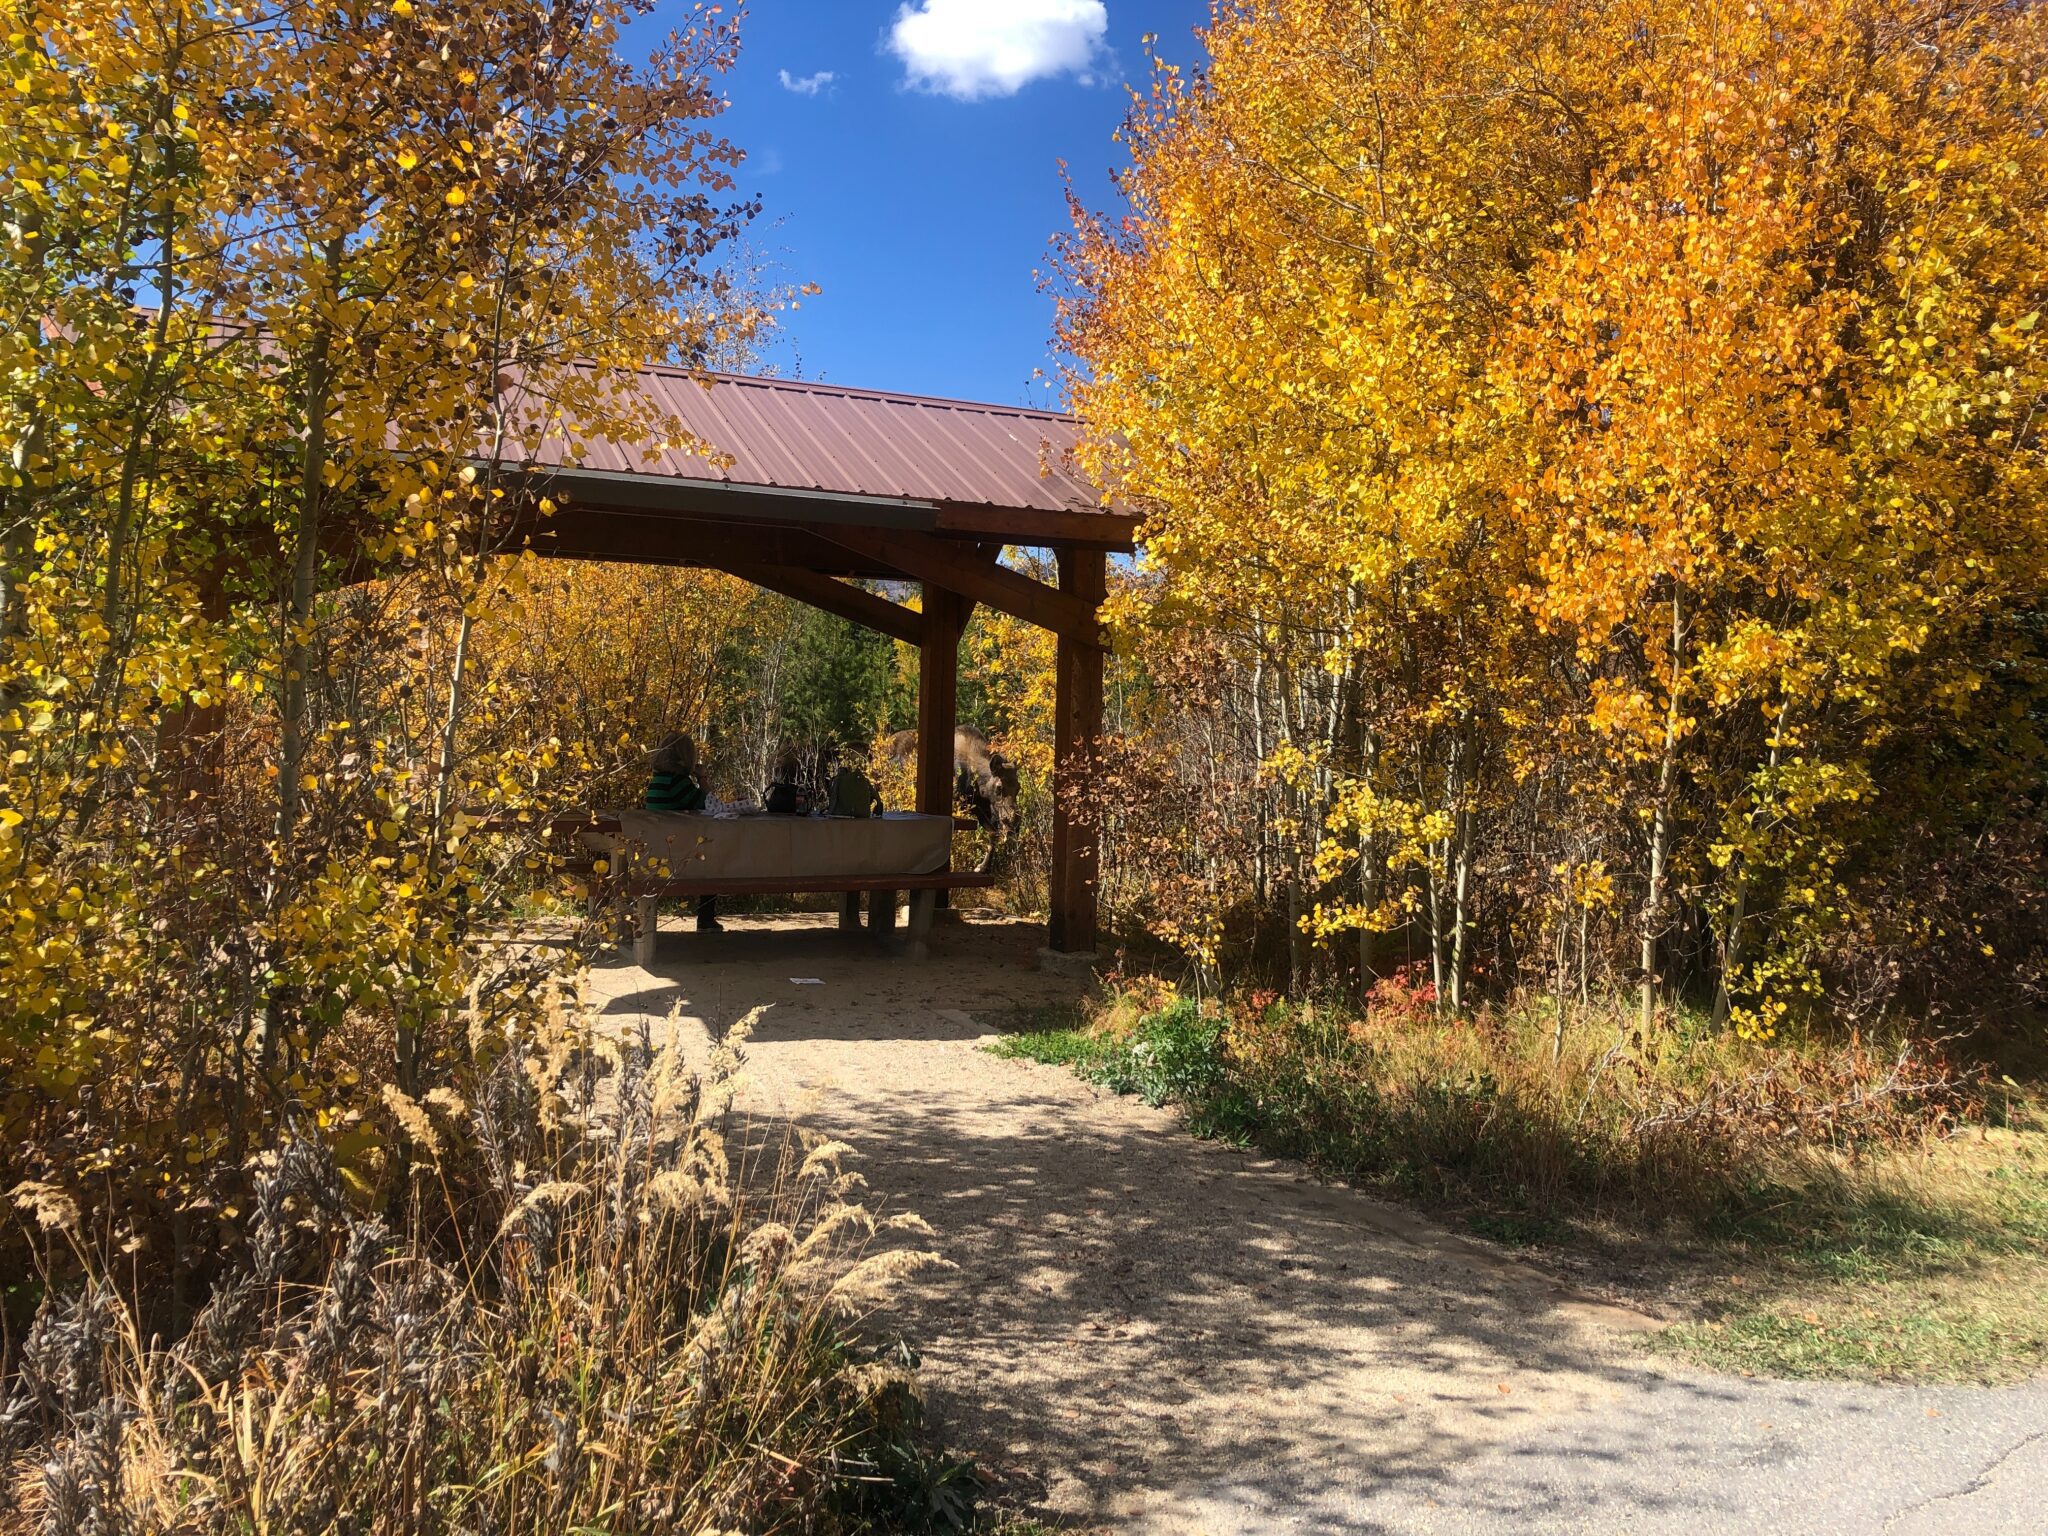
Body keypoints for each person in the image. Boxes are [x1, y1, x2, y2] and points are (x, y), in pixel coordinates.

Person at [644, 733, 720, 932]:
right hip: (676, 856)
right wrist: (702, 777)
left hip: (656, 851)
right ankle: (705, 919)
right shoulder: (678, 783)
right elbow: (710, 805)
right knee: (712, 862)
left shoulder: (657, 781)